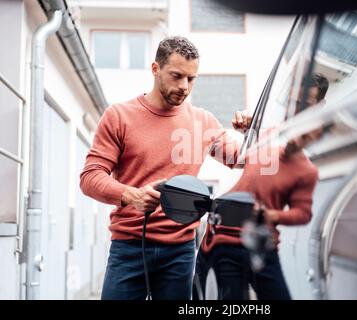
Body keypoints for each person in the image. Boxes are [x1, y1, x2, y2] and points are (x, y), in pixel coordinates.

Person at [80, 36, 243, 300]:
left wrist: (253, 129)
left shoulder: (202, 121)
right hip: (129, 247)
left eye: (191, 79)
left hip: (180, 251)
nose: (184, 87)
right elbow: (90, 177)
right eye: (176, 76)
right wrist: (132, 196)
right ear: (155, 69)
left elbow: (244, 159)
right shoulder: (119, 116)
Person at [196, 73, 329, 300]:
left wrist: (272, 215)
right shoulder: (268, 134)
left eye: (304, 105)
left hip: (264, 244)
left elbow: (303, 212)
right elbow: (239, 158)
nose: (295, 111)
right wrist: (248, 128)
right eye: (293, 102)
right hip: (226, 239)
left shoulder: (316, 159)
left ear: (320, 108)